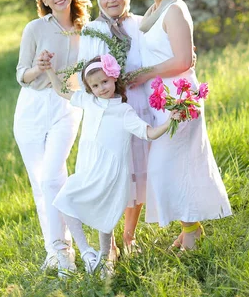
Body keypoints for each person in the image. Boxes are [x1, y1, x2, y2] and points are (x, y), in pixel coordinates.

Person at [131, 0, 232, 251]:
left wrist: (145, 73)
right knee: (173, 165)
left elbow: (183, 59)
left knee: (169, 165)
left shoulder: (175, 10)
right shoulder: (154, 10)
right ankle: (191, 227)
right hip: (162, 99)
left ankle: (192, 230)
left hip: (179, 97)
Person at [41, 53, 173, 277]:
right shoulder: (87, 101)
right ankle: (86, 252)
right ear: (89, 88)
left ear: (114, 80)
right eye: (95, 85)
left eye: (104, 82)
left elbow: (148, 133)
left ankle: (104, 260)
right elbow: (61, 91)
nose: (101, 88)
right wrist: (49, 71)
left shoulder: (124, 111)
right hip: (88, 169)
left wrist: (172, 120)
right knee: (64, 201)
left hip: (112, 174)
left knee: (106, 217)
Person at [14, 0, 91, 274]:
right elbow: (22, 75)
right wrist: (37, 67)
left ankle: (69, 250)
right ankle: (56, 252)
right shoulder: (34, 28)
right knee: (40, 183)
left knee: (52, 178)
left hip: (67, 106)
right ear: (43, 1)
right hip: (32, 108)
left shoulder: (88, 29)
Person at [77, 0, 153, 253]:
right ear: (98, 0)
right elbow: (86, 76)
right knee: (111, 175)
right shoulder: (91, 30)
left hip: (137, 106)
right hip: (108, 112)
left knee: (138, 172)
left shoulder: (141, 24)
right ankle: (106, 244)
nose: (111, 0)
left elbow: (156, 56)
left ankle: (129, 236)